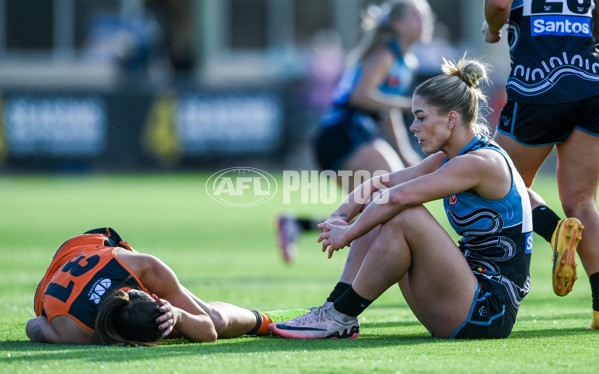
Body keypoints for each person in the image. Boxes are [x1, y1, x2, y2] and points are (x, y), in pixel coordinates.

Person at [270, 57, 533, 339]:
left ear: (451, 119)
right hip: (465, 298)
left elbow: (398, 198)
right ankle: (334, 310)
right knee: (386, 207)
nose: (413, 127)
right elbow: (379, 183)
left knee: (405, 214)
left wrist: (348, 233)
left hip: (487, 313)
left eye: (420, 117)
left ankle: (339, 315)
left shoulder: (478, 162)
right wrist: (340, 216)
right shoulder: (451, 156)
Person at [277, 0, 433, 262]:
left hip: (352, 136)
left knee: (374, 208)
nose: (424, 22)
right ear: (397, 25)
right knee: (388, 198)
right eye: (417, 16)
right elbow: (361, 96)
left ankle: (298, 225)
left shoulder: (407, 61)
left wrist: (405, 152)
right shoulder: (385, 55)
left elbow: (386, 111)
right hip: (341, 135)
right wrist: (409, 104)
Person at [482, 0, 599, 329]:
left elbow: (499, 5)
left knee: (500, 183)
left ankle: (554, 230)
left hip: (538, 84)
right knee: (582, 200)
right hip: (591, 80)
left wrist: (492, 29)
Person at [26, 227, 305, 345]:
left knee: (214, 318)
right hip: (55, 277)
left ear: (146, 291)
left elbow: (208, 328)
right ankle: (271, 321)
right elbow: (33, 324)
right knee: (191, 325)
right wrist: (181, 321)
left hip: (88, 245)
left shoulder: (146, 267)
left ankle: (269, 321)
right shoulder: (77, 332)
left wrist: (180, 315)